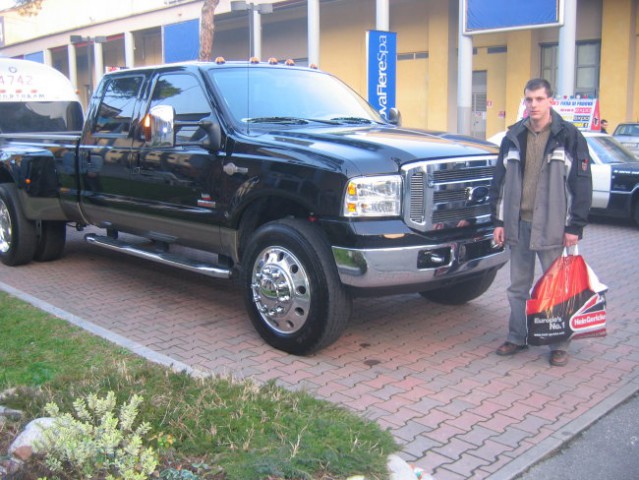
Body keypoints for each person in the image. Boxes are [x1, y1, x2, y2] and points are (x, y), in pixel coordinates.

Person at [489, 78, 593, 367]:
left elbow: (581, 185)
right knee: (517, 288)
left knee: (556, 289)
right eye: (529, 99)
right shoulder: (513, 136)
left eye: (539, 99)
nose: (533, 105)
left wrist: (574, 226)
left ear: (550, 101)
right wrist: (498, 220)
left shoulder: (568, 136)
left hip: (553, 228)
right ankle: (516, 337)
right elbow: (499, 182)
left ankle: (559, 344)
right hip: (518, 226)